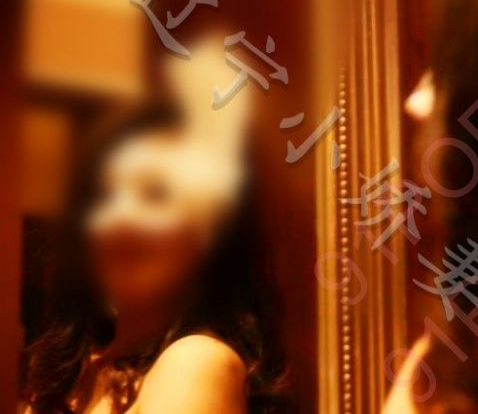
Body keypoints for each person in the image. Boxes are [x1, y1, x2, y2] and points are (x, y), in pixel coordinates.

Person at [22, 91, 287, 413]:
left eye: (156, 193)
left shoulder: (195, 361)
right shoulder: (73, 374)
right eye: (102, 195)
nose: (117, 216)